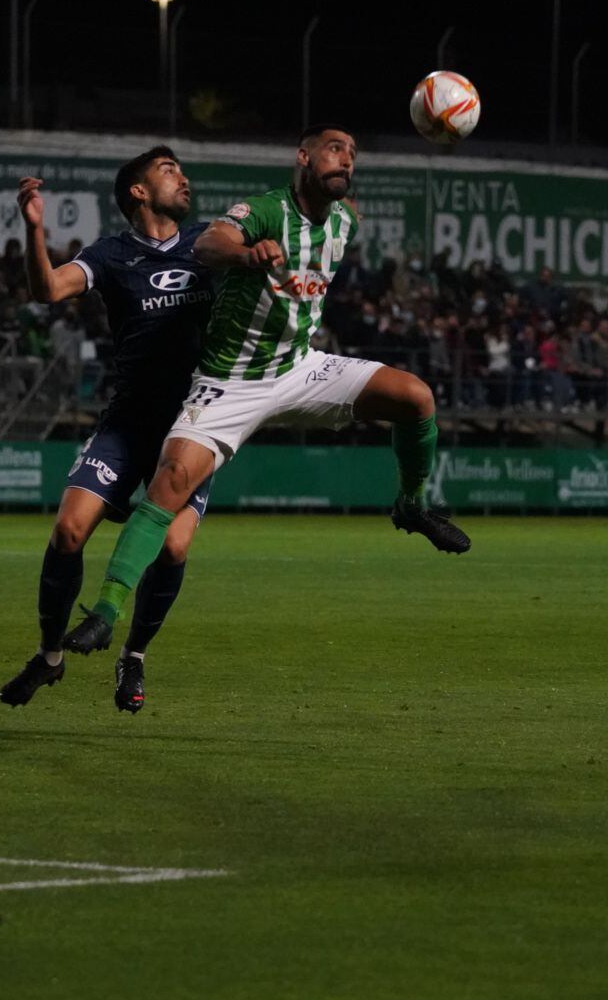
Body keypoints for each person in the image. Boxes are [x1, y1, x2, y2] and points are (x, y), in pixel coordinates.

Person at [64, 124, 470, 661]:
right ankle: (106, 612)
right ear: (302, 157)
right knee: (170, 482)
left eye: (353, 153)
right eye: (334, 149)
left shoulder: (344, 219)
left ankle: (412, 506)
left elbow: (341, 214)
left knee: (415, 397)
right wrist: (246, 253)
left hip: (301, 367)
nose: (346, 159)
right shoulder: (266, 210)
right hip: (230, 381)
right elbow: (211, 241)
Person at [0, 146, 219, 715]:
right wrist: (36, 229)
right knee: (69, 532)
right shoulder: (111, 254)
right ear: (139, 192)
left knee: (171, 547)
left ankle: (134, 654)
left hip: (191, 427)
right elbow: (47, 290)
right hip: (126, 422)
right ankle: (49, 658)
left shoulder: (208, 245)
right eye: (170, 171)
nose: (183, 179)